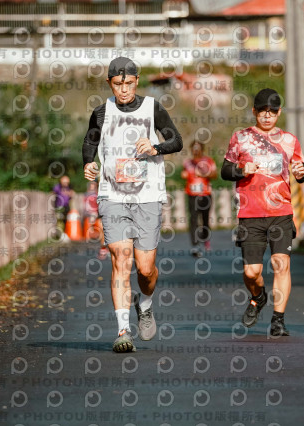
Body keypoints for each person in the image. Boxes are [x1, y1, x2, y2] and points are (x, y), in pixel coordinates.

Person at [82, 57, 183, 352]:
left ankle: (145, 303)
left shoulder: (153, 108)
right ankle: (123, 330)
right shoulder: (101, 112)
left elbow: (176, 141)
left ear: (137, 81)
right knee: (121, 258)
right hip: (112, 195)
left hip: (148, 196)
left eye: (128, 83)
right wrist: (88, 163)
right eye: (117, 84)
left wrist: (155, 147)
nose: (123, 89)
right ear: (109, 83)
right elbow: (89, 142)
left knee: (145, 269)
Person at [221, 88, 304, 337]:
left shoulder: (290, 140)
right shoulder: (240, 138)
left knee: (281, 264)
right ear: (254, 112)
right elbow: (225, 170)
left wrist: (302, 173)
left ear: (279, 112)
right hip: (250, 213)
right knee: (252, 272)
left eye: (272, 111)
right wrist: (241, 170)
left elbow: (301, 172)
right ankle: (258, 297)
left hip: (281, 211)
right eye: (262, 111)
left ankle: (278, 320)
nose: (267, 116)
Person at [181, 140, 217, 257]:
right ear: (191, 150)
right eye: (194, 148)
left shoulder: (208, 161)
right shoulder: (187, 162)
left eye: (198, 148)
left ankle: (205, 238)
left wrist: (205, 174)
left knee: (205, 219)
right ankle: (195, 245)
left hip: (205, 194)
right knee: (193, 220)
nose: (196, 151)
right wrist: (184, 175)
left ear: (202, 149)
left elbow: (215, 175)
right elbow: (184, 173)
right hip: (192, 195)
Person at [83, 180, 109, 260]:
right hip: (99, 214)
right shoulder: (92, 195)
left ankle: (107, 248)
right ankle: (103, 248)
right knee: (102, 229)